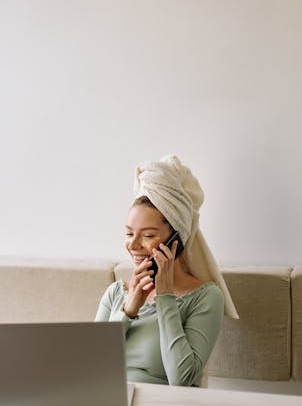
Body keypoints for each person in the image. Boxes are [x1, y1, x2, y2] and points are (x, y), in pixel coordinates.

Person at [95, 155, 238, 387]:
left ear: (175, 241)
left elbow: (181, 381)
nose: (133, 245)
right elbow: (88, 364)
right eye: (129, 233)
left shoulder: (206, 297)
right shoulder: (116, 294)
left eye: (148, 235)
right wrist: (128, 311)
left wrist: (165, 297)